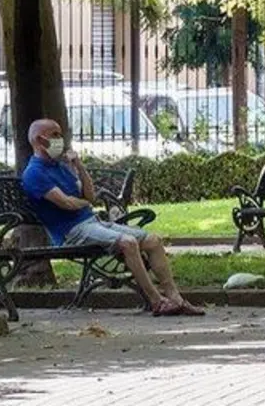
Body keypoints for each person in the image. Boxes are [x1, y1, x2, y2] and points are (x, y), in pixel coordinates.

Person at [20, 118, 203, 317]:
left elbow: (90, 196)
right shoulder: (34, 173)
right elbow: (68, 204)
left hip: (91, 222)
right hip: (71, 231)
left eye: (61, 134)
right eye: (55, 135)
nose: (60, 140)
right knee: (128, 242)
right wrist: (85, 203)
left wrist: (79, 166)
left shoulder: (60, 166)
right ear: (39, 139)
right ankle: (156, 302)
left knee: (153, 240)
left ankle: (176, 299)